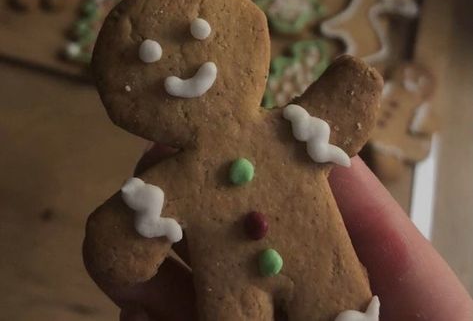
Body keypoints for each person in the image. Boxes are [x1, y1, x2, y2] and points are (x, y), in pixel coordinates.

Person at [95, 147, 472, 321]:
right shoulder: (180, 175)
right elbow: (117, 239)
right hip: (234, 292)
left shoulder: (289, 134)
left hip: (325, 279)